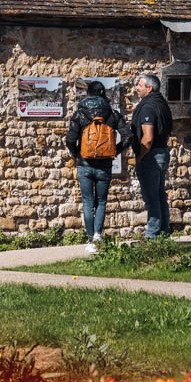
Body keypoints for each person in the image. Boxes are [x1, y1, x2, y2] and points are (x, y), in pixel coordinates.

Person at [66, 80, 127, 252]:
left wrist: (76, 153)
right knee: (101, 201)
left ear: (88, 93)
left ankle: (90, 240)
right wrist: (115, 151)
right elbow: (128, 137)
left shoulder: (80, 114)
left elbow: (70, 139)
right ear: (102, 93)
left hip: (84, 163)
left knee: (87, 202)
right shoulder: (112, 114)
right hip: (105, 165)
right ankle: (98, 235)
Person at [131, 71, 173, 238]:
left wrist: (139, 157)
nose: (136, 88)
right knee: (159, 195)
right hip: (162, 152)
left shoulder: (148, 106)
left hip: (151, 155)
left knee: (151, 197)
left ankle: (153, 234)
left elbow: (147, 138)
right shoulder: (162, 104)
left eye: (139, 85)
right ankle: (163, 231)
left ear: (149, 88)